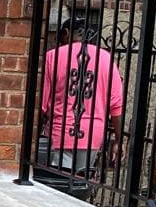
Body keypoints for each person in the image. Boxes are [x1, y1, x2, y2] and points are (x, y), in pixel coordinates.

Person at [37, 20, 125, 183]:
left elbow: (41, 103)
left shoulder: (53, 56)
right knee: (80, 182)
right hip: (93, 134)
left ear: (66, 33)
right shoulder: (106, 59)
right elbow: (116, 106)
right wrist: (119, 141)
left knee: (58, 184)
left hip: (61, 130)